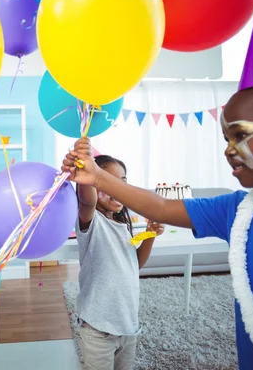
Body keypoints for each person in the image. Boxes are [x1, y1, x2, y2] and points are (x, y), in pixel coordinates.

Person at [63, 9, 253, 370]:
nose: (229, 149)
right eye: (226, 137)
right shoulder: (236, 210)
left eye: (241, 135)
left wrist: (107, 184)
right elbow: (162, 208)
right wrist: (96, 178)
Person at [75, 153, 163, 370]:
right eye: (106, 181)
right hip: (99, 330)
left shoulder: (123, 226)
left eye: (121, 183)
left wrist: (150, 235)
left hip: (128, 327)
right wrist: (86, 167)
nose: (115, 189)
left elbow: (135, 264)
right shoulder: (91, 221)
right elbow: (88, 199)